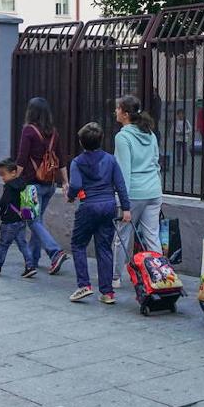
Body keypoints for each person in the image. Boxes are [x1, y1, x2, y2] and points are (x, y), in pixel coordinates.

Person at [66, 122, 131, 304]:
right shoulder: (110, 160)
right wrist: (126, 208)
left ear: (81, 142)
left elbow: (76, 185)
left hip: (88, 207)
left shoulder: (77, 162)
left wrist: (71, 196)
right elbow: (120, 185)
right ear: (101, 140)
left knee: (78, 244)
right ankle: (107, 292)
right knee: (104, 248)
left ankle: (84, 285)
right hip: (109, 206)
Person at [112, 95, 163, 288]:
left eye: (117, 109)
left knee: (121, 236)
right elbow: (156, 162)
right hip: (153, 191)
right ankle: (159, 276)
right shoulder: (150, 134)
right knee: (152, 237)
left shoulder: (122, 137)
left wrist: (122, 202)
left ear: (125, 114)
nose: (115, 112)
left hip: (133, 193)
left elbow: (123, 171)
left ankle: (115, 277)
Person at [16, 97, 68, 274]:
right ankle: (34, 258)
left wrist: (15, 179)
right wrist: (66, 181)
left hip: (31, 185)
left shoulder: (28, 131)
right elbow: (60, 158)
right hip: (50, 185)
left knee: (32, 220)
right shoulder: (53, 132)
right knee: (37, 220)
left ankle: (55, 252)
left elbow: (22, 158)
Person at [0, 158, 38, 278]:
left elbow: (4, 201)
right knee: (23, 244)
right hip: (21, 219)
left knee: (4, 244)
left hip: (9, 222)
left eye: (3, 174)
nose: (2, 177)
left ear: (13, 172)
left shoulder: (9, 186)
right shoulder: (22, 183)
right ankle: (30, 266)